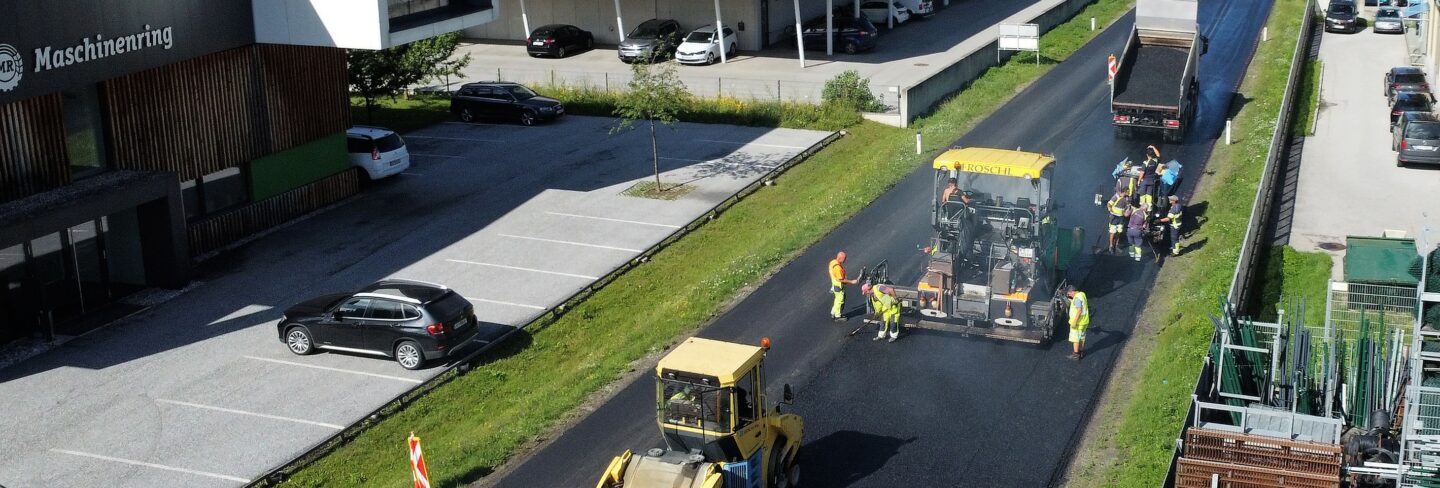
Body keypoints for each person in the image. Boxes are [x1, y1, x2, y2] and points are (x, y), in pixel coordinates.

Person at [828, 251, 858, 321]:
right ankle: (838, 316)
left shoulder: (832, 262)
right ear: (840, 258)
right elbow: (841, 279)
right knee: (840, 300)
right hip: (838, 286)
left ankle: (833, 312)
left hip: (834, 284)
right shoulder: (837, 268)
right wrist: (851, 282)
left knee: (837, 299)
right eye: (844, 258)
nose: (845, 260)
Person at [1066, 286, 1089, 360]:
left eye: (1069, 294)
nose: (1069, 295)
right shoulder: (1082, 294)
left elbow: (1079, 310)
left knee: (1075, 338)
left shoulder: (1076, 299)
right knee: (1082, 338)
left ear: (1072, 291)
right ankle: (1081, 352)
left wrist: (1074, 322)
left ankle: (1076, 355)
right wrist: (1070, 300)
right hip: (1084, 321)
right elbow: (1078, 303)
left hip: (1078, 323)